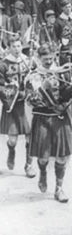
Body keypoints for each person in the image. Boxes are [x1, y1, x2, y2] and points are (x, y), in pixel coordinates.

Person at [25, 44, 72, 203]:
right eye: (45, 59)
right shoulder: (33, 76)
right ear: (38, 58)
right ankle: (42, 172)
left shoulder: (63, 73)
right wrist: (43, 88)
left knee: (62, 157)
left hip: (61, 118)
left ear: (55, 56)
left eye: (51, 58)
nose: (49, 61)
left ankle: (59, 188)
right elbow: (29, 101)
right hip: (42, 118)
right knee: (43, 158)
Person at [0, 35, 35, 178]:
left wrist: (30, 90)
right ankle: (11, 150)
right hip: (12, 105)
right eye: (13, 46)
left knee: (29, 137)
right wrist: (11, 92)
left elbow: (38, 79)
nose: (17, 49)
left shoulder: (28, 62)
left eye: (19, 46)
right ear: (8, 47)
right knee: (13, 139)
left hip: (26, 104)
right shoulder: (3, 64)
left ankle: (28, 165)